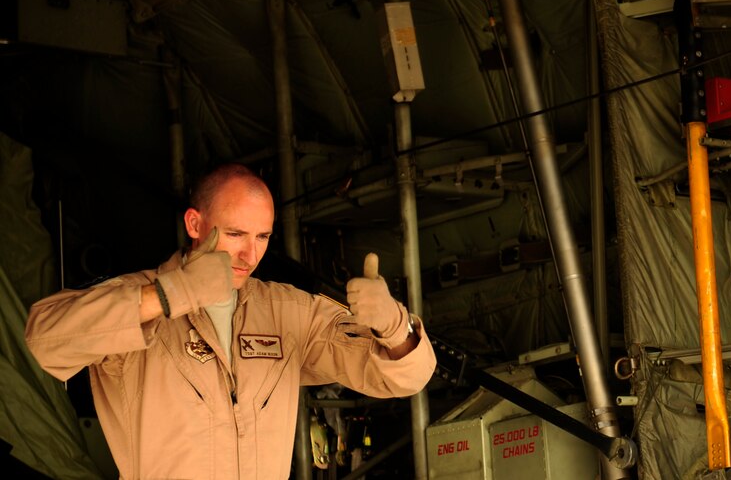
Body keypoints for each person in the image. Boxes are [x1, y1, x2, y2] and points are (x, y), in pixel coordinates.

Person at [25, 163, 436, 479]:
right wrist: (170, 294)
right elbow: (44, 340)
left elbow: (404, 379)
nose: (250, 255)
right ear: (194, 224)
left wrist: (393, 326)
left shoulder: (288, 312)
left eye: (262, 237)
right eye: (236, 234)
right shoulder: (136, 295)